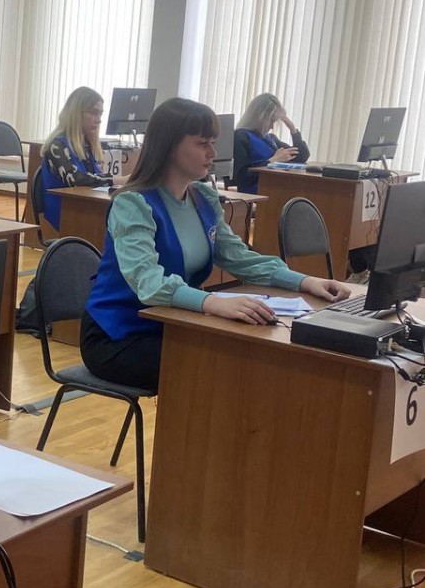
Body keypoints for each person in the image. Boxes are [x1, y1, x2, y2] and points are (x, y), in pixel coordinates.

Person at [81, 98, 349, 391]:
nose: (213, 153)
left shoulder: (203, 198)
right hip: (119, 334)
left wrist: (306, 281)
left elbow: (239, 257)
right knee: (222, 370)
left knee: (251, 358)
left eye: (213, 143)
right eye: (202, 144)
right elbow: (149, 284)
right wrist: (214, 303)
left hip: (176, 324)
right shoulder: (132, 204)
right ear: (170, 147)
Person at [39, 86, 111, 230]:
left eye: (100, 114)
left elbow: (93, 177)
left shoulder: (86, 144)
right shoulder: (57, 145)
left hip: (85, 206)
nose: (99, 120)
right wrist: (115, 180)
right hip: (66, 211)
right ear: (77, 113)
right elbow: (76, 180)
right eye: (94, 113)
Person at [233, 92, 310, 193]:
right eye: (271, 121)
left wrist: (292, 129)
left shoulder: (270, 139)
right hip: (256, 192)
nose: (272, 127)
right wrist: (272, 161)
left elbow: (301, 157)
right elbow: (241, 176)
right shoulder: (241, 136)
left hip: (276, 188)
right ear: (260, 118)